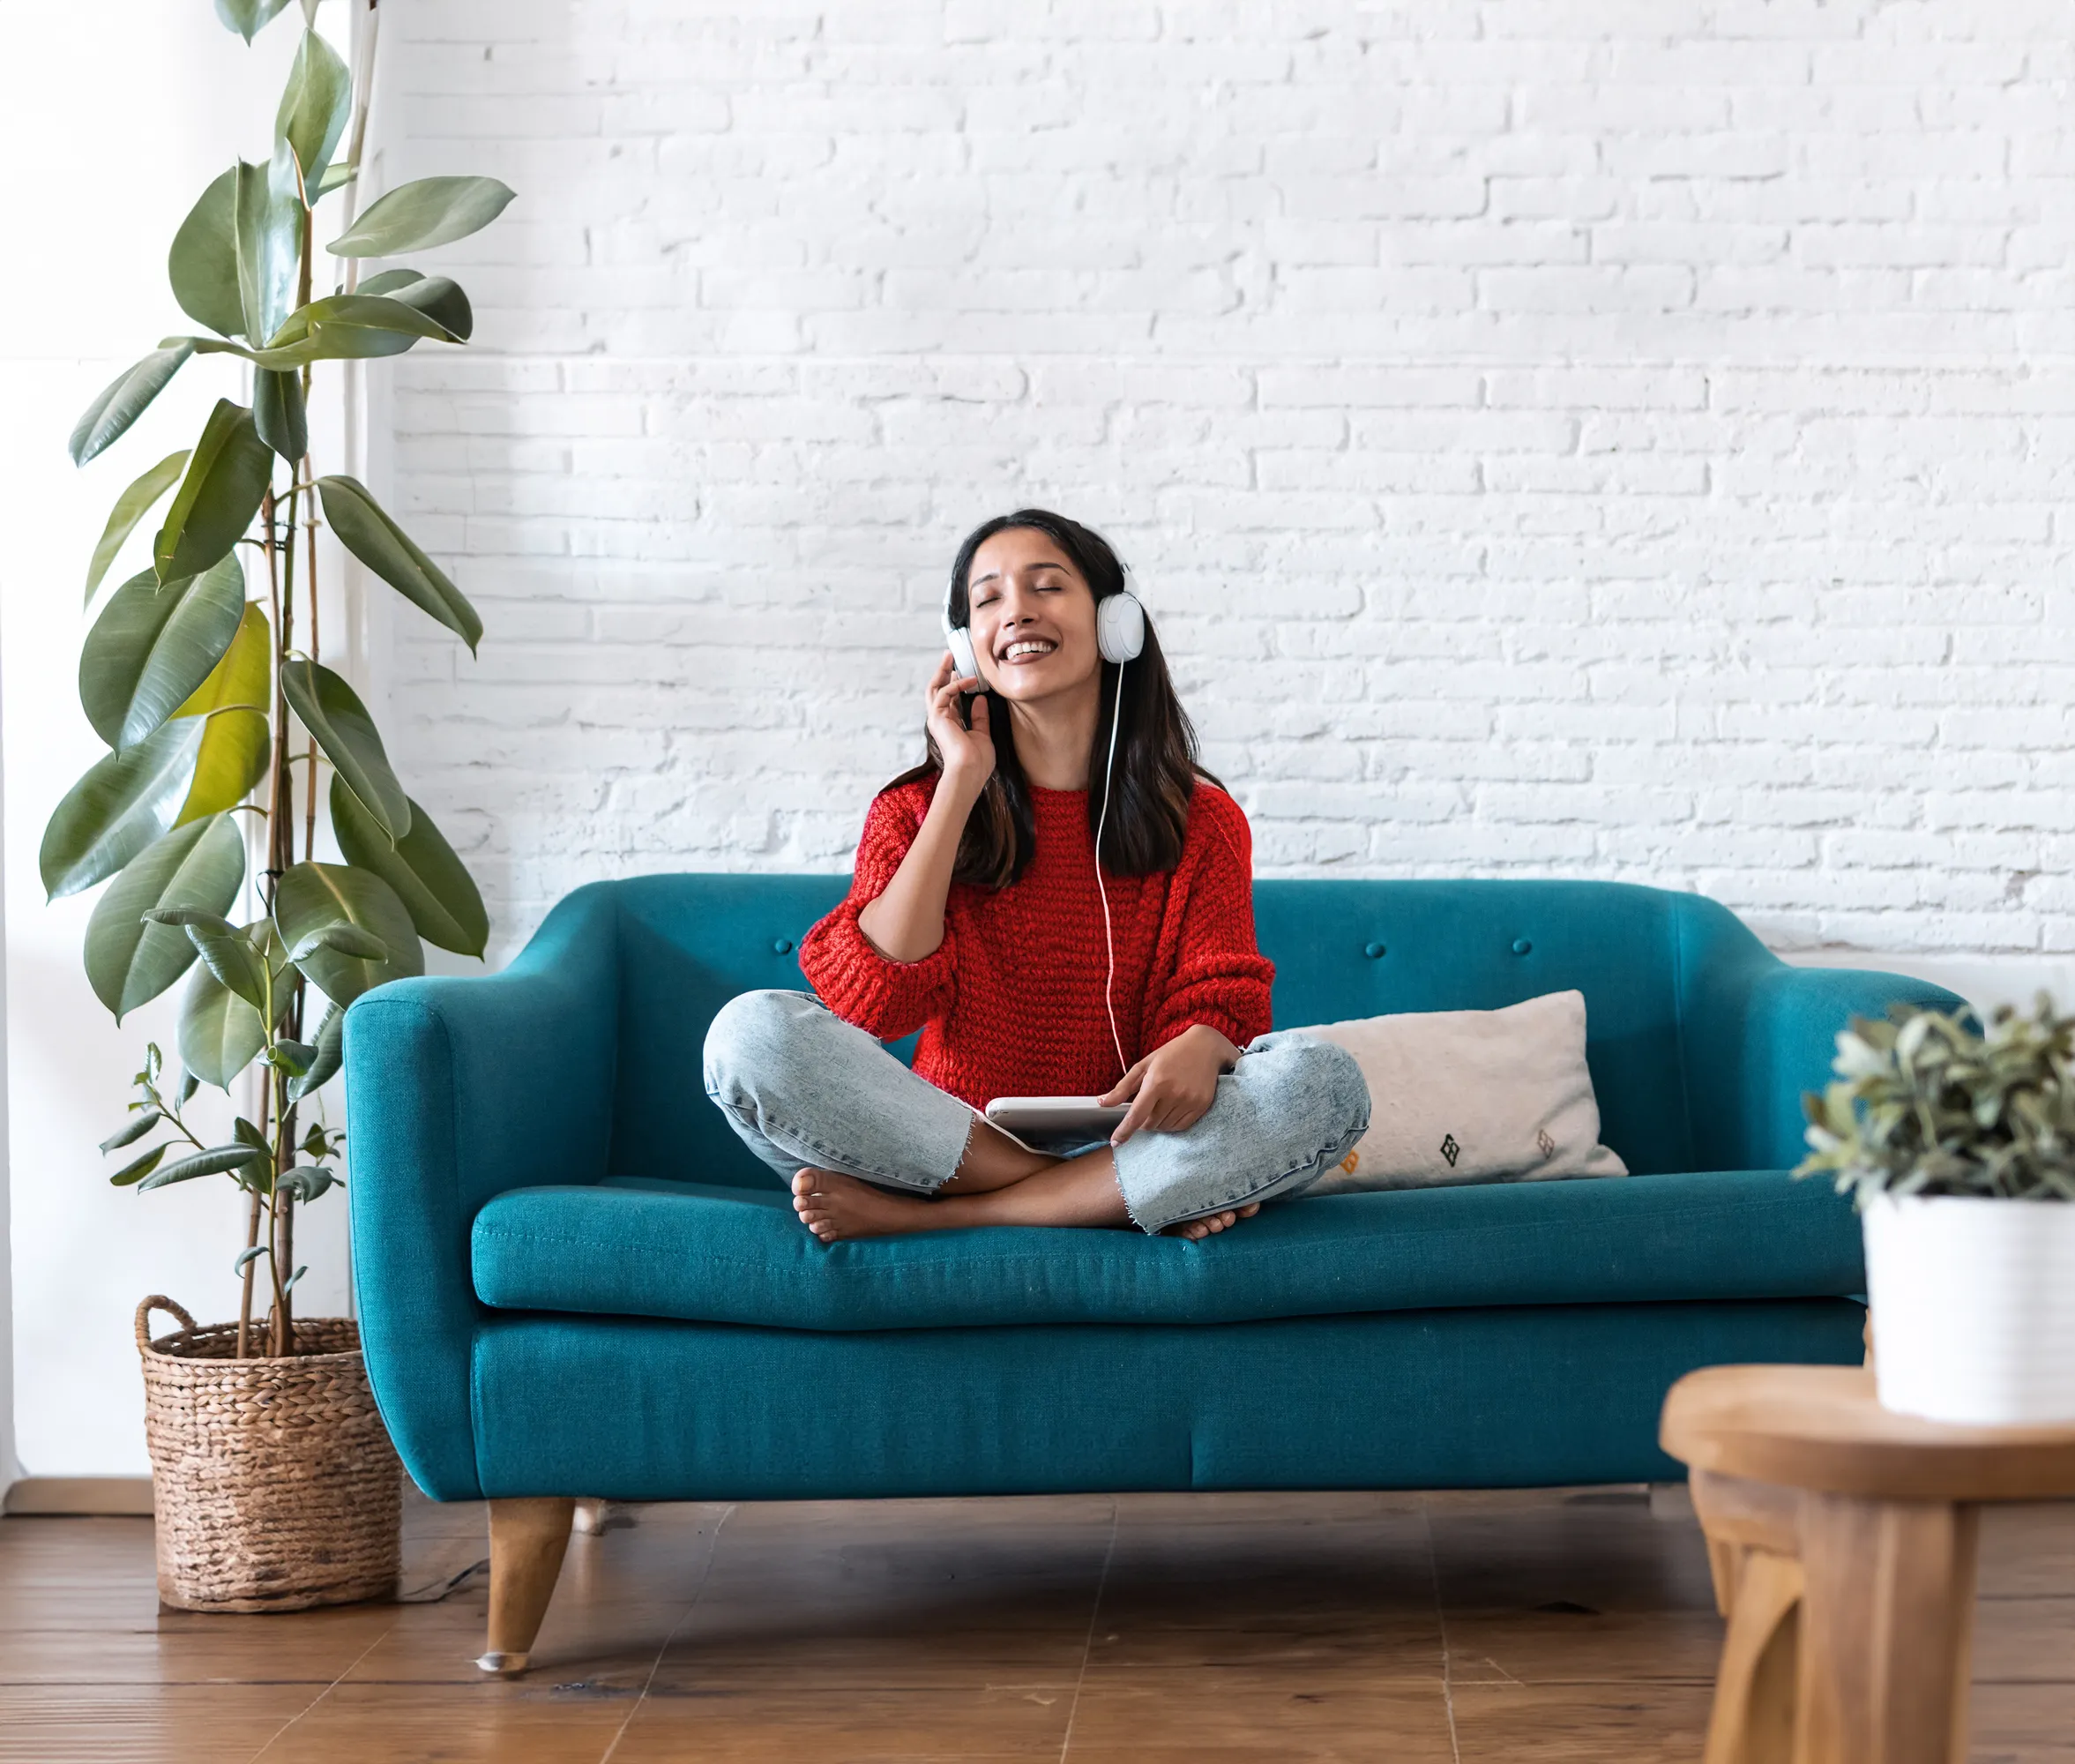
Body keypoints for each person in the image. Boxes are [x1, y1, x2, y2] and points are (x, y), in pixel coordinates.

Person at [702, 509, 1369, 1243]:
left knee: (1321, 1083)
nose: (1016, 609)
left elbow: (1219, 998)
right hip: (943, 1148)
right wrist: (959, 781)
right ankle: (1098, 1204)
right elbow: (876, 1005)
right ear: (965, 647)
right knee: (750, 1035)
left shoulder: (1201, 822)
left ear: (1116, 624)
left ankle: (960, 1221)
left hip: (1133, 1142)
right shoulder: (915, 810)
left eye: (1046, 587)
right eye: (987, 599)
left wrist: (1204, 1041)